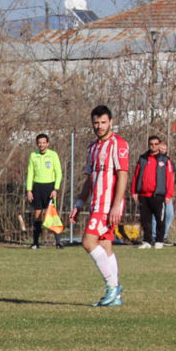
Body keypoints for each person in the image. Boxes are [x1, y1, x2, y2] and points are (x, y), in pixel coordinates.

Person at [69, 105, 130, 306]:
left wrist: (116, 205)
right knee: (105, 245)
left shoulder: (118, 144)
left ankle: (113, 287)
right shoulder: (93, 147)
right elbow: (90, 179)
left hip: (107, 204)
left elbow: (122, 175)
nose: (99, 126)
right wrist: (79, 202)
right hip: (96, 203)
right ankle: (116, 297)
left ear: (111, 122)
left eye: (103, 122)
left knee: (88, 242)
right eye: (96, 122)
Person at [132, 134, 175, 249]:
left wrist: (169, 194)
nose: (153, 146)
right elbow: (136, 175)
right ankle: (147, 240)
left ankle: (159, 240)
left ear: (159, 145)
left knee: (160, 218)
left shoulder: (165, 160)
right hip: (143, 195)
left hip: (158, 194)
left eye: (156, 144)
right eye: (151, 144)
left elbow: (170, 178)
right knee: (145, 219)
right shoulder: (142, 159)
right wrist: (134, 191)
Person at [25, 133, 63, 249]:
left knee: (52, 213)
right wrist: (29, 190)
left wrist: (56, 189)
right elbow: (30, 173)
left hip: (50, 187)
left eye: (43, 142)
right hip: (37, 187)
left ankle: (58, 242)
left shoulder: (53, 155)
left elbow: (59, 173)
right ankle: (35, 242)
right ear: (37, 144)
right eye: (39, 143)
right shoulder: (33, 155)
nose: (41, 145)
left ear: (47, 143)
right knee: (37, 215)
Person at [158, 137, 176, 240]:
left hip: (167, 192)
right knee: (157, 215)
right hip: (157, 192)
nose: (163, 151)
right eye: (161, 148)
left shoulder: (168, 161)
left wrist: (170, 191)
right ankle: (155, 235)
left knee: (169, 214)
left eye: (165, 149)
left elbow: (171, 177)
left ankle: (164, 235)